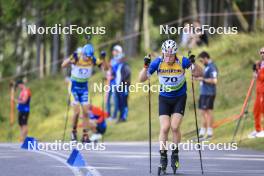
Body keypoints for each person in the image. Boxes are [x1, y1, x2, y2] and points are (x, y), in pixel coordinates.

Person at [138, 39, 194, 174]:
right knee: (165, 127)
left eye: (171, 55)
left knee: (175, 127)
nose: (168, 57)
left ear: (175, 53)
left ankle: (175, 153)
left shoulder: (182, 61)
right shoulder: (158, 62)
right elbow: (141, 79)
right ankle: (163, 156)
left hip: (179, 98)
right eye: (166, 54)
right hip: (164, 98)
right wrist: (145, 66)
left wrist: (193, 63)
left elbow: (197, 73)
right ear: (163, 53)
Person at [61, 44, 102, 143]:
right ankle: (73, 133)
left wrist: (103, 60)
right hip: (74, 87)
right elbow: (63, 65)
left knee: (86, 112)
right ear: (83, 54)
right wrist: (70, 59)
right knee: (77, 111)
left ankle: (85, 136)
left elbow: (104, 67)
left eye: (89, 57)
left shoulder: (92, 59)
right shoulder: (77, 58)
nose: (87, 58)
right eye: (86, 56)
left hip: (84, 88)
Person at [194, 51, 218, 140]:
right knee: (202, 112)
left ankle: (209, 132)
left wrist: (202, 79)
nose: (201, 62)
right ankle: (203, 131)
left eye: (201, 60)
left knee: (208, 112)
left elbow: (214, 81)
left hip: (209, 93)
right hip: (203, 92)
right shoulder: (206, 67)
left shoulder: (212, 67)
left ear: (206, 58)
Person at [112, 45, 131, 123]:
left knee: (124, 102)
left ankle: (124, 117)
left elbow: (127, 76)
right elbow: (116, 75)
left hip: (124, 87)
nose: (118, 60)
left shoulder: (125, 66)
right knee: (120, 103)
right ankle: (120, 116)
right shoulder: (118, 66)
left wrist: (123, 84)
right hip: (118, 87)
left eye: (120, 58)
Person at [248, 47, 264, 138]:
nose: (262, 54)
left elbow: (262, 77)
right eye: (261, 52)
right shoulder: (260, 64)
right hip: (259, 91)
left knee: (263, 109)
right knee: (256, 110)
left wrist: (257, 74)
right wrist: (255, 70)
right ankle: (258, 129)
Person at [105, 45, 122, 120]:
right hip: (110, 82)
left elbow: (117, 72)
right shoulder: (112, 60)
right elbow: (108, 69)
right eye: (113, 50)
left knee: (115, 99)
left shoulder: (120, 61)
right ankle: (108, 115)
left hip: (116, 82)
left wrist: (112, 75)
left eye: (115, 51)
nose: (113, 52)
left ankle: (114, 116)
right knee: (107, 98)